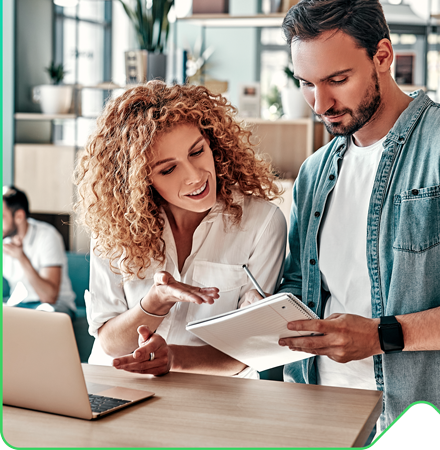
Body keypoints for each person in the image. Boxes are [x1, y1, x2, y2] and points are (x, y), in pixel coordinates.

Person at [263, 0, 440, 447]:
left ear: (383, 55)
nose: (320, 104)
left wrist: (383, 336)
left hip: (428, 428)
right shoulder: (315, 173)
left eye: (337, 80)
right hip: (322, 416)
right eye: (306, 83)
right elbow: (302, 290)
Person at [74, 82, 286, 378]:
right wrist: (156, 302)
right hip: (116, 388)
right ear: (141, 180)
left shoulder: (261, 223)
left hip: (212, 399)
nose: (195, 177)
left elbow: (250, 349)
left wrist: (172, 357)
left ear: (213, 142)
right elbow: (109, 342)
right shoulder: (116, 225)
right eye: (168, 169)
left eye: (197, 152)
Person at [3, 186, 76, 317]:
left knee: (43, 316)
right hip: (20, 304)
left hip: (54, 306)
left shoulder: (47, 236)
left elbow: (49, 296)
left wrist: (21, 257)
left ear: (19, 216)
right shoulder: (5, 240)